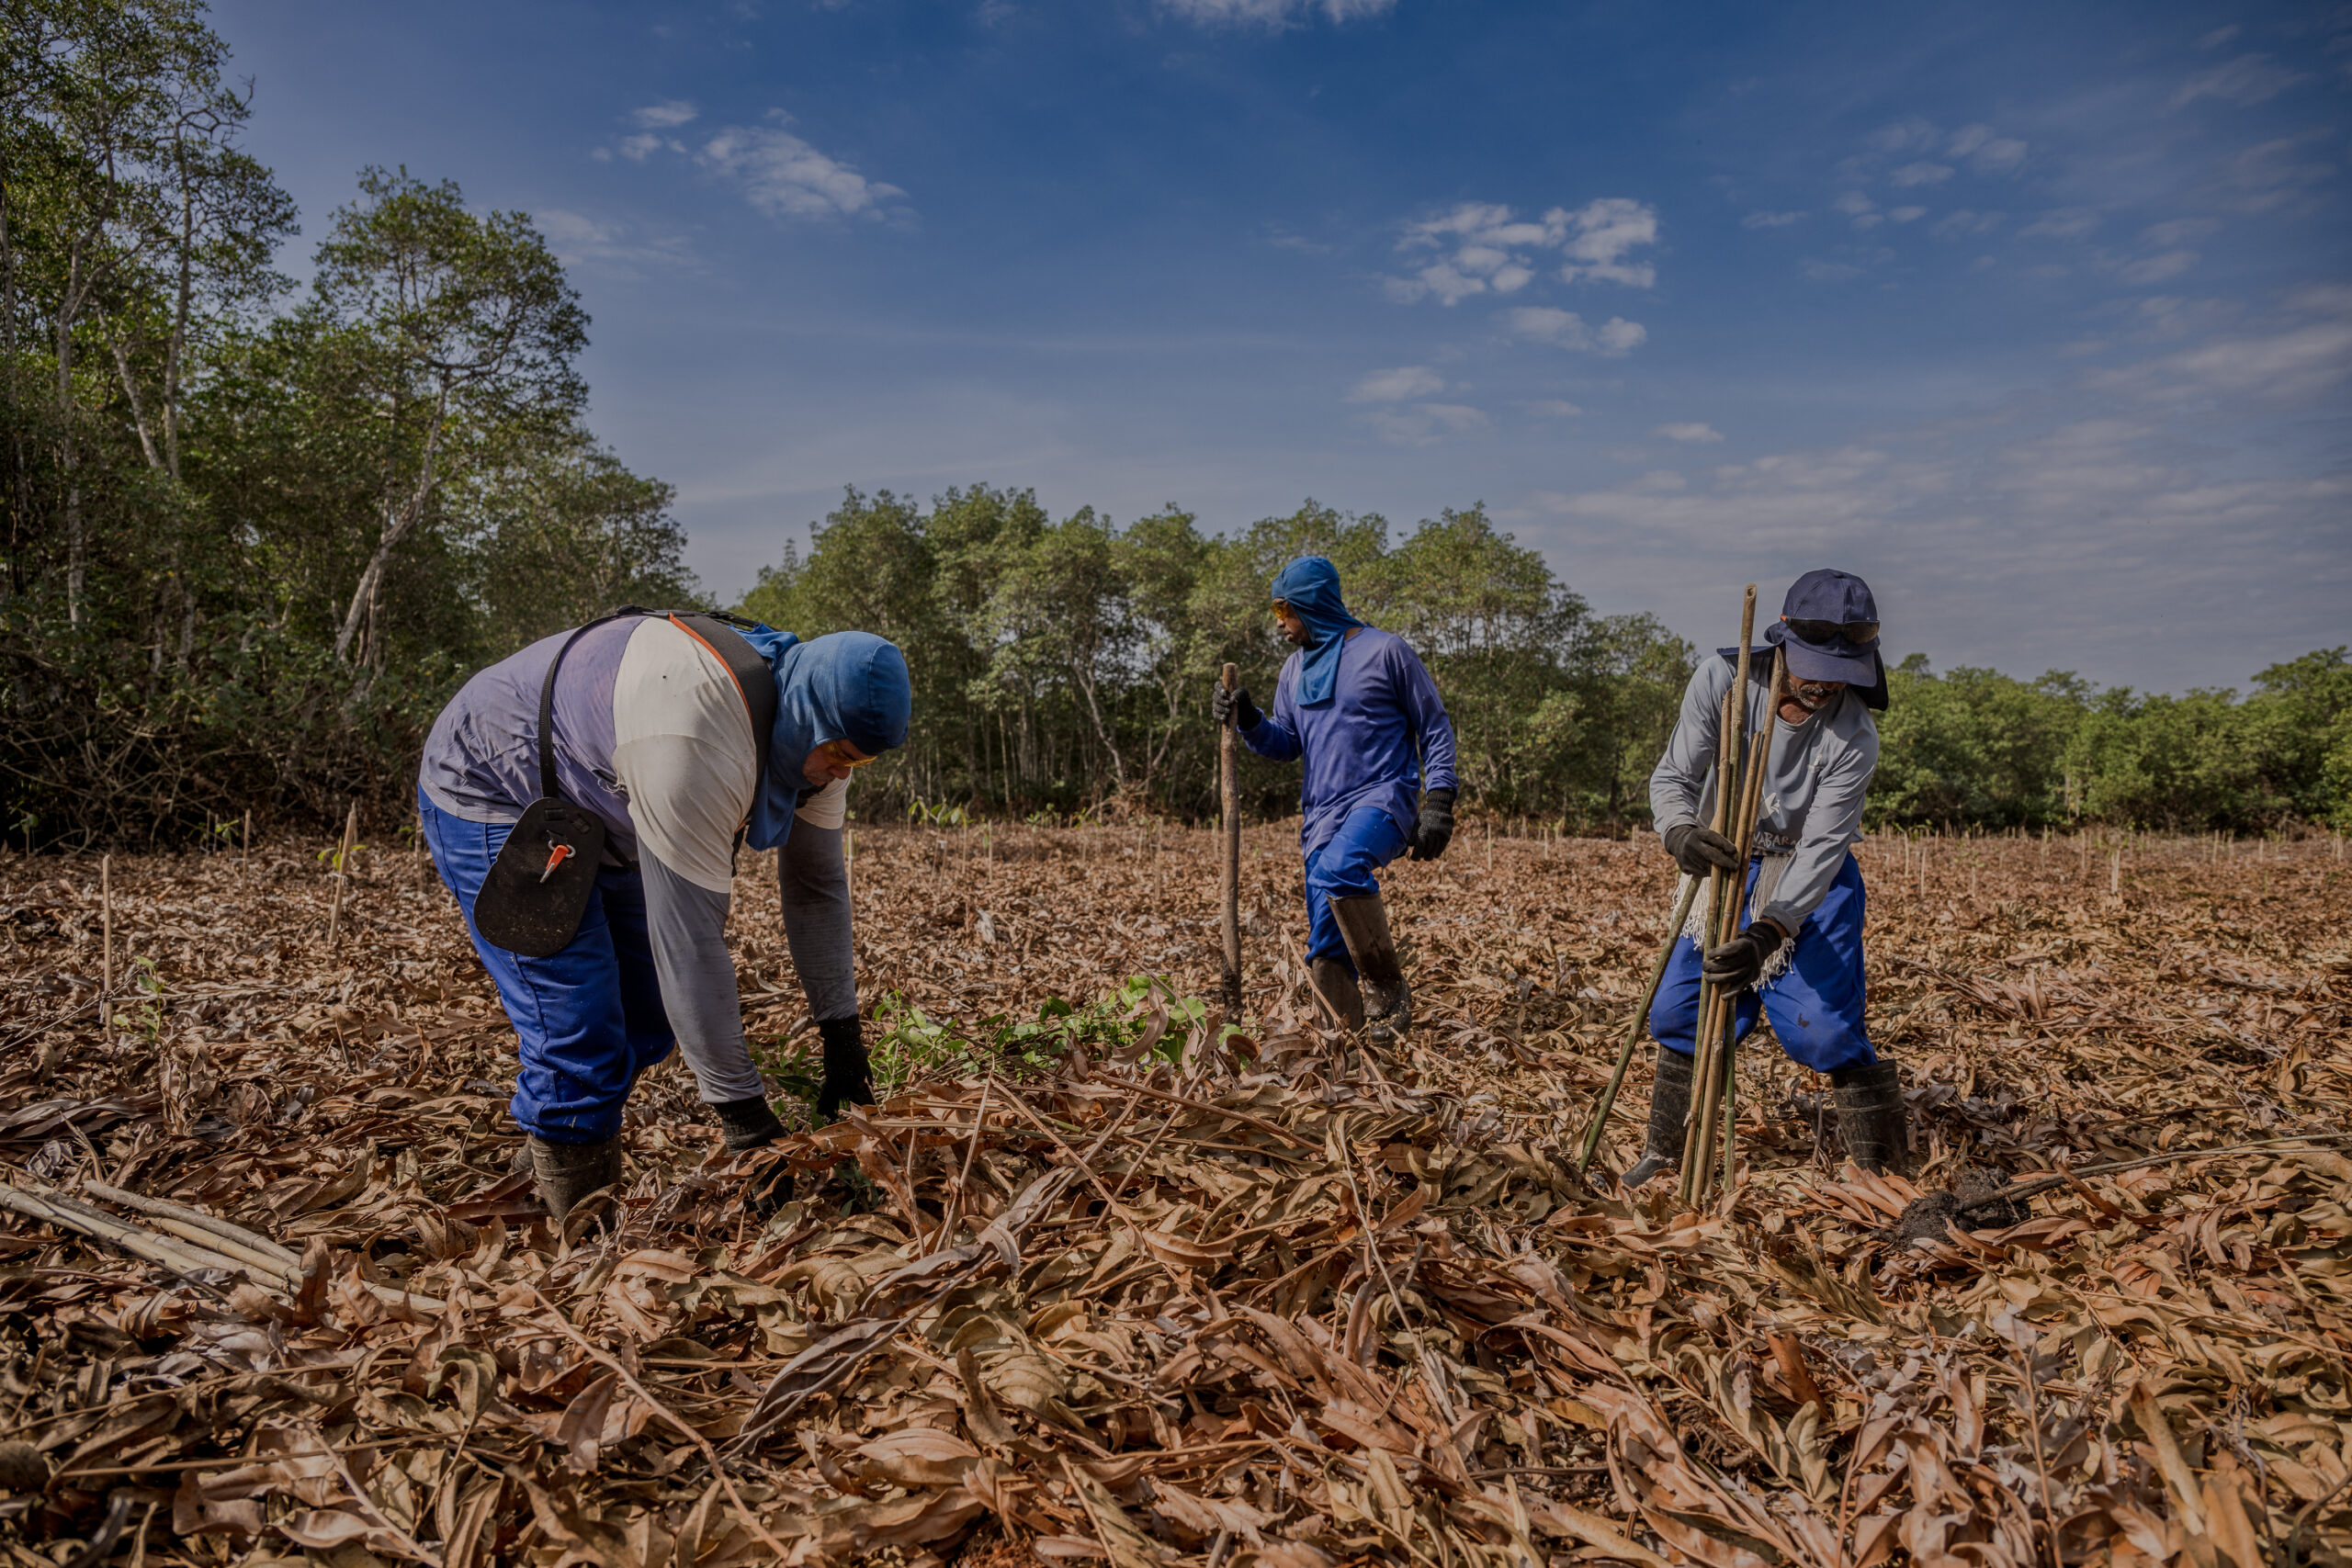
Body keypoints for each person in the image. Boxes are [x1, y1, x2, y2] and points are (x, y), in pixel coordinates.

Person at [416, 609, 911, 1220]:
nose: (841, 771)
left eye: (858, 762)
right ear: (810, 716)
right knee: (581, 1024)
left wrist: (843, 1037)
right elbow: (691, 945)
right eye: (838, 753)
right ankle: (579, 1242)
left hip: (606, 802)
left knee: (648, 1011)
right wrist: (747, 1124)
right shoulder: (698, 736)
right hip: (493, 780)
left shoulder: (819, 739)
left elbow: (817, 887)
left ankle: (548, 1152)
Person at [1623, 568, 1905, 1186]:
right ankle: (1666, 1153)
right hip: (1725, 857)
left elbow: (1824, 845)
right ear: (1780, 642)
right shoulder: (1721, 681)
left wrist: (1768, 930)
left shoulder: (1854, 735)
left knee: (1824, 1032)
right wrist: (1679, 832)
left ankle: (1884, 1170)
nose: (1826, 683)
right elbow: (1672, 779)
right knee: (1678, 1012)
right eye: (1813, 665)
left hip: (1808, 877)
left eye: (1842, 671)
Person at [1212, 556, 1458, 1043]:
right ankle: (1344, 1043)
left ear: (1314, 605)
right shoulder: (1294, 669)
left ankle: (1388, 988)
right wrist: (1248, 718)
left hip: (1385, 795)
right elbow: (1285, 743)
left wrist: (1440, 800)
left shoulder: (1387, 651)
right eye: (1275, 612)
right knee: (1325, 935)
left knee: (1338, 871)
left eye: (1285, 611)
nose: (1279, 623)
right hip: (1321, 814)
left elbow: (1434, 726)